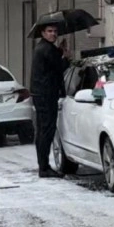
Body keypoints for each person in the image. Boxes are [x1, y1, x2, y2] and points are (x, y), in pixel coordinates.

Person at [30, 23, 71, 178]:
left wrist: (59, 50)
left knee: (43, 130)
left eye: (55, 31)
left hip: (41, 94)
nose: (53, 34)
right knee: (46, 130)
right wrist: (66, 57)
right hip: (46, 95)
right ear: (43, 33)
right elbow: (59, 66)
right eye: (49, 31)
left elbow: (52, 60)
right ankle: (44, 167)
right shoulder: (46, 49)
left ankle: (43, 165)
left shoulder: (45, 48)